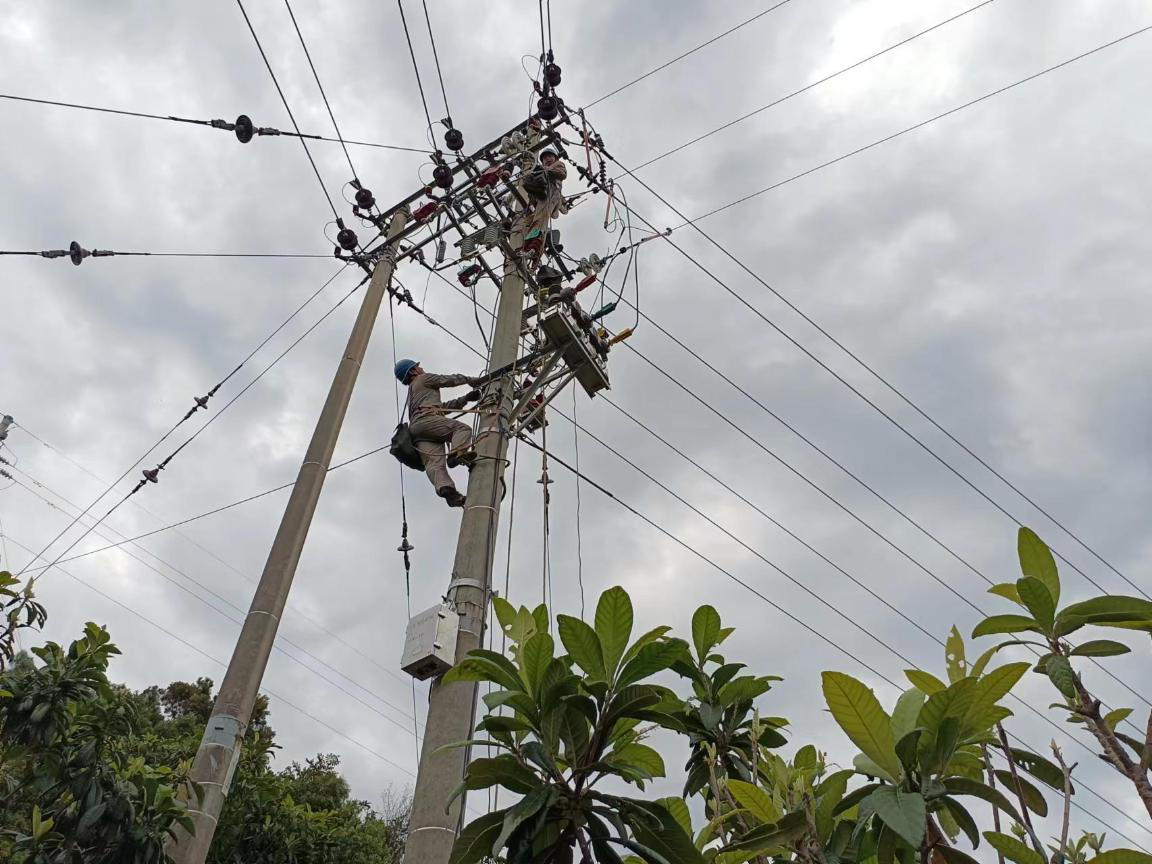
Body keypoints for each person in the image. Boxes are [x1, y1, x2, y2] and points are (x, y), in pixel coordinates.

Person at [395, 358, 483, 508]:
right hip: (427, 421)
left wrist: (466, 399)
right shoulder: (424, 379)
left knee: (433, 464)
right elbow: (448, 380)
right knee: (462, 429)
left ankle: (448, 491)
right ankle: (456, 453)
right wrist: (471, 380)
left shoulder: (413, 393)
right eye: (418, 366)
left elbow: (441, 408)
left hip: (417, 431)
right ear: (413, 371)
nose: (421, 368)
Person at [517, 149, 567, 244]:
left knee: (540, 217)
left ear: (555, 158)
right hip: (541, 194)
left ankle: (536, 236)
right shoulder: (540, 169)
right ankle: (526, 241)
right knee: (528, 221)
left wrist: (546, 169)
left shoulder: (558, 164)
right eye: (544, 158)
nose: (547, 159)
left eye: (549, 156)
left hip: (551, 193)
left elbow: (562, 174)